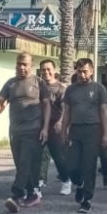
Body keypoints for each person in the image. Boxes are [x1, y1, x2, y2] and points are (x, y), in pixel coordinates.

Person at [0, 53, 50, 213]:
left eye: (25, 64)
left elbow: (46, 106)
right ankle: (31, 194)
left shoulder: (39, 82)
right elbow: (1, 102)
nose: (21, 67)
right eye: (19, 64)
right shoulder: (11, 83)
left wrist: (45, 128)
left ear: (31, 65)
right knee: (21, 165)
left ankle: (16, 196)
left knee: (24, 162)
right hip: (15, 131)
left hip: (33, 130)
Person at [62, 58, 107, 214]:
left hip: (93, 130)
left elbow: (103, 112)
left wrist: (106, 134)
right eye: (79, 71)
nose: (82, 75)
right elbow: (67, 112)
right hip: (75, 130)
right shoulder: (70, 90)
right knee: (71, 166)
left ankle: (86, 200)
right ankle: (79, 184)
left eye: (85, 71)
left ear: (91, 71)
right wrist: (64, 131)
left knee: (88, 166)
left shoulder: (99, 89)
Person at [38, 59, 72, 196]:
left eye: (48, 69)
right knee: (36, 156)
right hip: (38, 124)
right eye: (43, 69)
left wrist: (60, 122)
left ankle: (66, 180)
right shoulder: (38, 86)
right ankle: (38, 182)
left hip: (54, 125)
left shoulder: (60, 88)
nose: (46, 72)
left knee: (58, 157)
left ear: (54, 70)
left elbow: (65, 108)